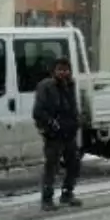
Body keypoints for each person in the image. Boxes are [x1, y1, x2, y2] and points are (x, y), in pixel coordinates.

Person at [32, 56, 83, 211]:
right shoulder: (46, 86)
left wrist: (77, 120)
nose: (63, 73)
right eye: (60, 69)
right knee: (52, 167)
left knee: (74, 164)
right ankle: (47, 199)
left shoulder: (70, 85)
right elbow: (38, 111)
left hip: (69, 133)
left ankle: (67, 194)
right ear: (53, 71)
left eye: (66, 70)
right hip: (54, 135)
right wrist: (52, 124)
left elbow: (73, 107)